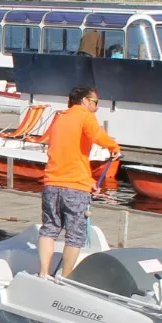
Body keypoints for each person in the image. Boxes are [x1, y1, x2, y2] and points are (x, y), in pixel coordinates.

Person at [37, 86, 121, 279]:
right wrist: (113, 146)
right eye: (95, 103)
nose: (96, 107)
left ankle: (43, 273)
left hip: (52, 183)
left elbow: (67, 155)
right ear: (84, 101)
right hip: (74, 188)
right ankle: (65, 278)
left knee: (49, 229)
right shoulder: (85, 116)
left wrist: (89, 180)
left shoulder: (60, 118)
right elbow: (95, 134)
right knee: (75, 236)